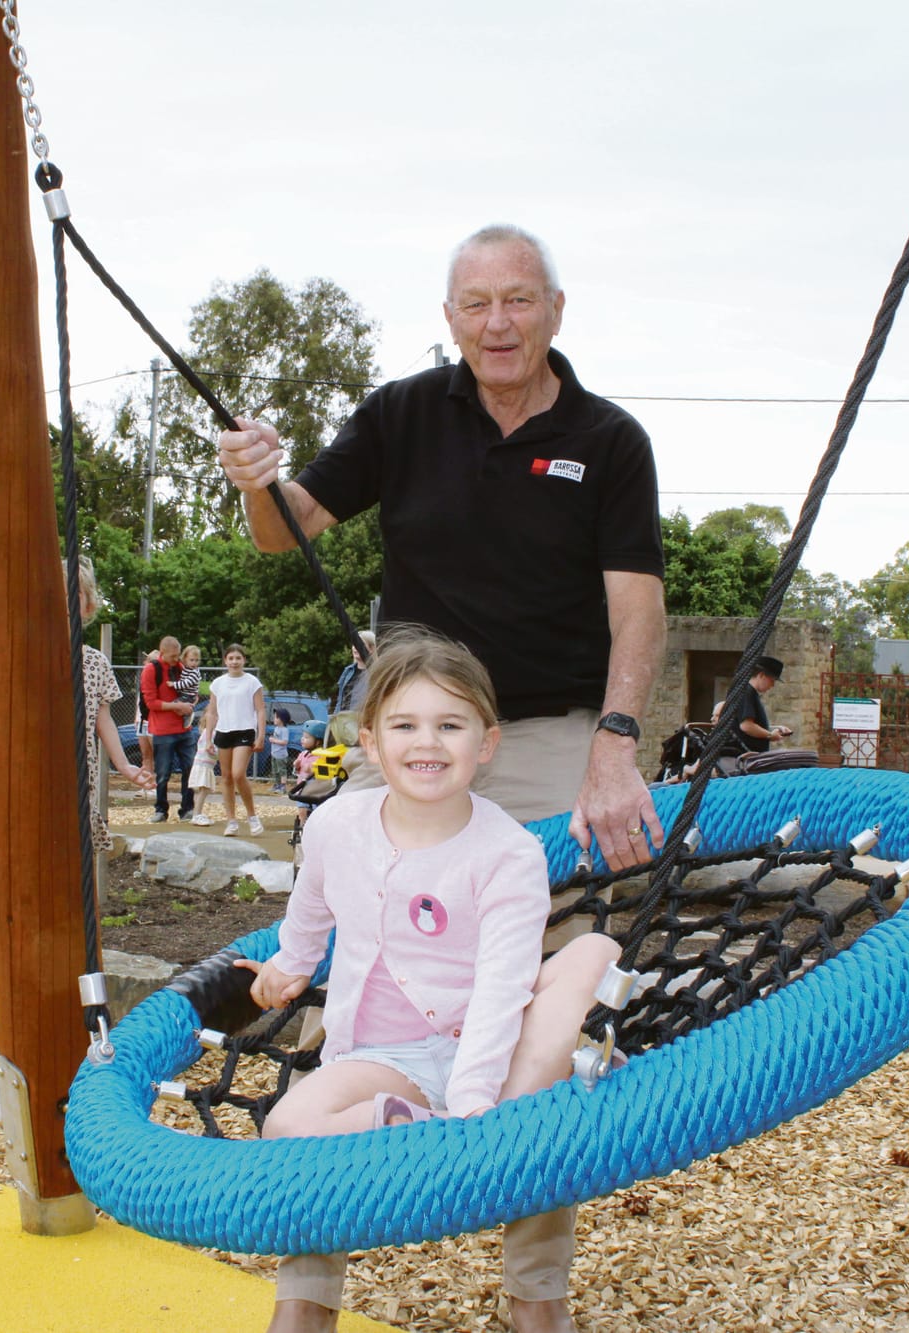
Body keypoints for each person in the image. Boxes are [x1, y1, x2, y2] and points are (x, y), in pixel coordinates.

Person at [220, 223, 667, 1329]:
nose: (498, 323)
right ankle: (307, 1294)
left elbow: (637, 606)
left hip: (554, 737)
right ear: (450, 317)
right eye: (476, 304)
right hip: (414, 735)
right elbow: (289, 532)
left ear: (555, 309)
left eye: (518, 300)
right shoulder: (401, 414)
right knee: (360, 990)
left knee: (536, 1019)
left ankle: (534, 1299)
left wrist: (614, 744)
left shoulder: (605, 439)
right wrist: (252, 482)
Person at [237, 630, 620, 1333]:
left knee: (590, 958)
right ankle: (318, 1277)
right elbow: (312, 905)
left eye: (451, 725)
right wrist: (291, 964)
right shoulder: (337, 825)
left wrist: (474, 1107)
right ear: (372, 743)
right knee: (288, 1123)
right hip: (381, 1058)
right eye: (406, 724)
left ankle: (532, 1289)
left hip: (493, 1053)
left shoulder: (506, 853)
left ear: (487, 743)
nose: (429, 742)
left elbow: (504, 986)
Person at [75, 558, 152, 852]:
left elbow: (102, 718)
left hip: (82, 765)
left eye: (75, 591)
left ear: (89, 606)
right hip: (34, 763)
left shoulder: (95, 661)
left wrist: (124, 765)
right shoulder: (27, 652)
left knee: (76, 835)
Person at [206, 643, 266, 837]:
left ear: (244, 660)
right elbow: (212, 712)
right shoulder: (218, 683)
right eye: (231, 658)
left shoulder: (252, 682)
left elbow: (260, 710)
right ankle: (231, 820)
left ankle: (252, 817)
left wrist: (261, 735)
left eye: (238, 658)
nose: (234, 662)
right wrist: (208, 738)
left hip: (245, 730)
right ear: (225, 661)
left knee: (238, 773)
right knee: (226, 777)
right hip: (224, 731)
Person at [139, 636, 197, 822]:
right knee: (163, 772)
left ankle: (187, 808)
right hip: (163, 730)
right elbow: (151, 702)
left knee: (190, 767)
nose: (176, 659)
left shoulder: (180, 668)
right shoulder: (151, 670)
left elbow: (192, 689)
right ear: (162, 653)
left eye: (178, 655)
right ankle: (161, 809)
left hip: (184, 728)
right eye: (173, 656)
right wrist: (177, 707)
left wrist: (190, 703)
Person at [710, 655, 792, 757]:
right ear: (762, 675)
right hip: (743, 756)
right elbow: (746, 726)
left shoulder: (749, 692)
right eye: (772, 680)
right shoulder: (746, 692)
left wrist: (775, 728)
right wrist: (770, 735)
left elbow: (749, 724)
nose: (772, 685)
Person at [330, 629, 378, 716]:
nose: (355, 648)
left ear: (371, 649)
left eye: (360, 644)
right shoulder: (348, 671)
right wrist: (334, 719)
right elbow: (340, 700)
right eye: (354, 644)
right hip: (344, 722)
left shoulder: (376, 672)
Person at [187, 712, 219, 825]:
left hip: (205, 765)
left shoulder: (208, 732)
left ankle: (198, 813)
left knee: (203, 790)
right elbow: (211, 750)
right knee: (203, 789)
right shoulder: (210, 733)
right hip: (203, 765)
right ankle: (196, 815)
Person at [267, 708, 295, 793]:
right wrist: (272, 738)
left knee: (281, 771)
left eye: (276, 717)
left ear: (282, 719)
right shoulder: (276, 729)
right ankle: (276, 785)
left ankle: (283, 787)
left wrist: (274, 740)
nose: (274, 719)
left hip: (281, 755)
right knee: (275, 771)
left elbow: (284, 742)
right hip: (274, 753)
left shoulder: (284, 730)